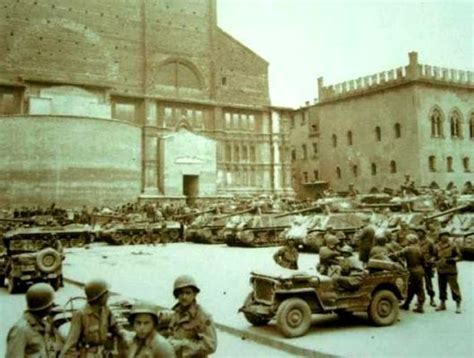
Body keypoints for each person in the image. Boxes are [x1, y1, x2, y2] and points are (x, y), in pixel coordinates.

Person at [60, 279, 126, 357]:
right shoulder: (81, 314)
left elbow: (115, 327)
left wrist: (124, 336)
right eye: (105, 293)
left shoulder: (105, 310)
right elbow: (70, 345)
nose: (108, 295)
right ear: (98, 297)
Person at [6, 283, 61, 357]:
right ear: (43, 307)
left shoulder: (43, 324)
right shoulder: (21, 330)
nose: (53, 305)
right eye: (50, 304)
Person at [168, 275, 217, 358]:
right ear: (176, 295)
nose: (184, 297)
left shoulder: (203, 316)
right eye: (181, 293)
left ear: (194, 294)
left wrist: (182, 344)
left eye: (188, 293)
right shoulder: (176, 313)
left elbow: (210, 346)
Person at [390, 234, 426, 313]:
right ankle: (419, 305)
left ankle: (407, 304)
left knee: (410, 287)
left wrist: (389, 255)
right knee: (419, 288)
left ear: (410, 241)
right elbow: (423, 261)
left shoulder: (408, 249)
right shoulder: (419, 249)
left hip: (412, 270)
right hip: (420, 270)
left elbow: (396, 254)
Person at [434, 230, 463, 314]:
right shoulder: (437, 246)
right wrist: (434, 261)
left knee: (454, 288)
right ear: (440, 237)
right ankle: (442, 303)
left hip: (451, 270)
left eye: (446, 235)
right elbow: (435, 256)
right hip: (441, 270)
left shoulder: (453, 245)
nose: (444, 237)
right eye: (443, 235)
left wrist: (451, 260)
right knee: (441, 288)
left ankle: (458, 305)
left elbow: (459, 256)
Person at [414, 226, 437, 307]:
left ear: (424, 233)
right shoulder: (415, 242)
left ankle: (432, 299)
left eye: (420, 232)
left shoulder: (430, 242)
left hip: (427, 265)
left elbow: (434, 254)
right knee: (418, 284)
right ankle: (419, 299)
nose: (418, 233)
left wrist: (432, 260)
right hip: (418, 264)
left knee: (428, 284)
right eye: (417, 232)